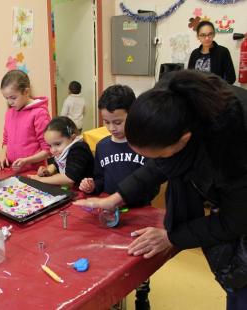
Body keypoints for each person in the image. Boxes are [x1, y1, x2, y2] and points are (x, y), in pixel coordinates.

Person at [74, 70, 247, 310]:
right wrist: (115, 198)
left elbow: (236, 220)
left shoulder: (230, 149)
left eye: (162, 155)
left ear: (184, 141)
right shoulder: (169, 99)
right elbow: (159, 164)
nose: (160, 162)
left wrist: (171, 236)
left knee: (242, 291)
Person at [78, 85, 154, 310]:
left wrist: (134, 196)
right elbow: (100, 179)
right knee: (113, 261)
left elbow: (154, 183)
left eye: (118, 122)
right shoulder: (102, 146)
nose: (112, 127)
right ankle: (115, 299)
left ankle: (142, 293)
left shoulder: (145, 146)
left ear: (134, 114)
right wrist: (91, 185)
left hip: (140, 214)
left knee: (141, 260)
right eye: (106, 122)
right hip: (111, 214)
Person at [0, 69, 51, 171]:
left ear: (26, 92)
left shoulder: (40, 113)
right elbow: (6, 141)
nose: (10, 102)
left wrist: (27, 160)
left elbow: (47, 150)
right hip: (13, 170)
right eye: (6, 98)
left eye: (13, 97)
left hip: (34, 172)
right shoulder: (9, 113)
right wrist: (2, 155)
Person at [28, 116, 94, 185]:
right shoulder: (61, 151)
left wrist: (41, 179)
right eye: (50, 145)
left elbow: (69, 178)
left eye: (57, 144)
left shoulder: (79, 148)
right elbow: (57, 165)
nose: (53, 150)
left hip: (87, 191)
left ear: (72, 138)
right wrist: (47, 171)